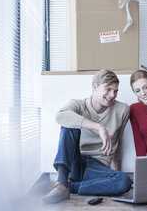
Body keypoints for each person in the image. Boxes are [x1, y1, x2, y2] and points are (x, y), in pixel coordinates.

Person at [42, 70, 132, 203]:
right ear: (94, 87)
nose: (112, 95)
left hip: (97, 167)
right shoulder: (78, 105)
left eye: (115, 91)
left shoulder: (122, 109)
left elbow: (118, 141)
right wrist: (98, 127)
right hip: (75, 163)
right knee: (69, 124)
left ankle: (66, 187)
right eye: (108, 89)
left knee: (124, 181)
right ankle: (62, 182)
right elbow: (60, 116)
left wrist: (116, 172)